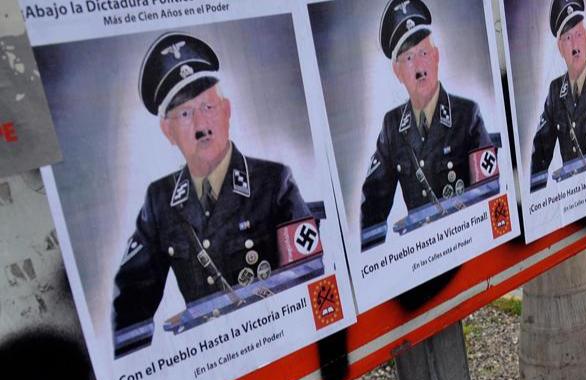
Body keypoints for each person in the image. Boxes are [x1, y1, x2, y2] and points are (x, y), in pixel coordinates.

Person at [112, 32, 311, 340]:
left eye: (208, 106)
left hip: (276, 338)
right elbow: (130, 310)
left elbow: (307, 273)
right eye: (185, 113)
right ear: (168, 131)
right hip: (207, 360)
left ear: (227, 111)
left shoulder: (274, 182)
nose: (201, 125)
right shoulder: (159, 201)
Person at [360, 0, 493, 248]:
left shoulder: (467, 115)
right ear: (397, 72)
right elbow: (371, 211)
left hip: (467, 242)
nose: (419, 65)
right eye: (408, 57)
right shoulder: (392, 127)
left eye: (423, 53)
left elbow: (489, 192)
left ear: (436, 57)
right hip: (421, 254)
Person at [530, 0, 586, 175]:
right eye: (567, 38)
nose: (575, 47)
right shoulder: (555, 91)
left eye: (578, 34)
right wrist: (535, 197)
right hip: (570, 196)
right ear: (560, 48)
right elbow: (540, 154)